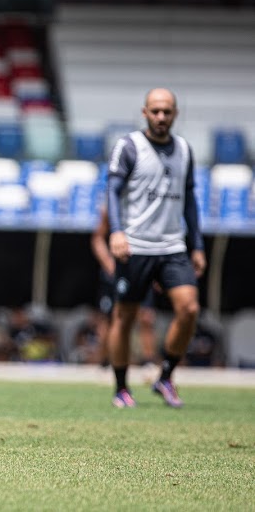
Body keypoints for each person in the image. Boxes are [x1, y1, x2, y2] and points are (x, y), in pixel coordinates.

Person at [106, 88, 206, 408]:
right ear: (144, 112)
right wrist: (116, 232)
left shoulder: (185, 151)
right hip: (135, 245)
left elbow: (189, 199)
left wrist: (197, 245)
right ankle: (121, 387)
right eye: (155, 111)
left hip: (173, 244)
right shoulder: (129, 147)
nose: (161, 117)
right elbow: (112, 190)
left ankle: (166, 376)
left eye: (167, 111)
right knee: (125, 317)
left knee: (189, 309)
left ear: (175, 114)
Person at [90, 206, 158, 367]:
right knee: (110, 318)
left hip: (141, 269)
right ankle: (105, 360)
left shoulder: (149, 207)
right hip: (115, 272)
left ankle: (148, 360)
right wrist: (109, 265)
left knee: (146, 316)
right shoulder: (112, 208)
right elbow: (97, 238)